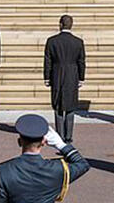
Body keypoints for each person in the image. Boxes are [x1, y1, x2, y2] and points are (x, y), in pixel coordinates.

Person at [0, 114, 90, 202]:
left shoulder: (4, 170)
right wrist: (61, 145)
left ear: (19, 141)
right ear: (44, 142)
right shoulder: (58, 169)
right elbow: (82, 164)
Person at [44, 15, 86, 144]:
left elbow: (48, 61)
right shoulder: (78, 42)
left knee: (58, 105)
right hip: (72, 74)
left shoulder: (52, 41)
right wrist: (81, 77)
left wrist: (46, 77)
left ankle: (59, 135)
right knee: (71, 106)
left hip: (57, 73)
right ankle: (68, 135)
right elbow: (81, 61)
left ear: (60, 24)